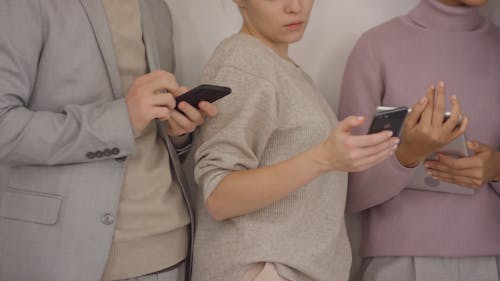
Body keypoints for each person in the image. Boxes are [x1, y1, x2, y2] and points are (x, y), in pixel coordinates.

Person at [0, 1, 217, 281]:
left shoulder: (156, 9)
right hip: (65, 254)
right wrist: (121, 119)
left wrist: (178, 134)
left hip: (171, 245)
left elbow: (148, 132)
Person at [191, 1, 400, 281]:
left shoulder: (278, 67)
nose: (296, 6)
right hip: (266, 269)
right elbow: (219, 197)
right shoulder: (244, 62)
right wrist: (324, 158)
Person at [338, 0, 500, 280]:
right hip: (397, 266)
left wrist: (497, 169)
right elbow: (344, 191)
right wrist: (406, 157)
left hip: (492, 263)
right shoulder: (376, 47)